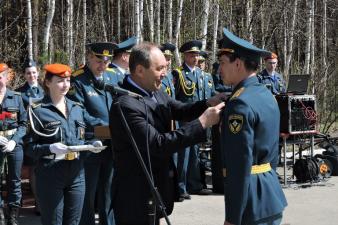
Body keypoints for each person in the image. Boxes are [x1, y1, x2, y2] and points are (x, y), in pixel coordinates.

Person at [109, 42, 225, 225]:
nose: (165, 73)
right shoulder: (126, 104)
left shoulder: (153, 91)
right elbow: (158, 144)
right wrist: (202, 123)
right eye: (160, 68)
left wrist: (208, 103)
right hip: (135, 195)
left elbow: (181, 110)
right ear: (140, 70)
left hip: (155, 188)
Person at [218, 28, 287, 225]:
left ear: (238, 63)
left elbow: (239, 166)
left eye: (223, 63)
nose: (219, 69)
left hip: (250, 205)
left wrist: (232, 217)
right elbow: (273, 154)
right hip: (270, 195)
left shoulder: (239, 104)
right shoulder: (266, 95)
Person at [25, 63, 104, 225]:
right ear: (48, 83)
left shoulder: (77, 108)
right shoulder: (37, 110)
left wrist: (93, 143)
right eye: (60, 80)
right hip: (51, 173)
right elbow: (29, 148)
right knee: (53, 221)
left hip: (77, 172)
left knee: (74, 221)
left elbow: (88, 132)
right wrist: (49, 148)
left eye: (68, 80)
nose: (66, 85)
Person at [68, 42, 116, 225]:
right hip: (90, 144)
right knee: (88, 191)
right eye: (99, 60)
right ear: (89, 57)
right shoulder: (77, 79)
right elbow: (78, 111)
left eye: (107, 60)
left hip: (112, 143)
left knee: (108, 189)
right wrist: (104, 125)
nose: (103, 65)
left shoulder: (112, 77)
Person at [171, 40, 211, 200]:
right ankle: (180, 187)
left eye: (197, 54)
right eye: (192, 55)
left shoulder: (201, 75)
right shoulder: (178, 74)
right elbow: (175, 98)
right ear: (185, 56)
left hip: (200, 119)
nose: (195, 57)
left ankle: (195, 185)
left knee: (195, 153)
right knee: (183, 154)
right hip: (185, 120)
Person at [15, 59, 45, 215]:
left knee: (45, 168)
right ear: (24, 75)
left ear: (38, 73)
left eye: (33, 72)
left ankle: (45, 201)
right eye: (28, 73)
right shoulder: (19, 93)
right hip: (30, 135)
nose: (31, 75)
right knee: (33, 169)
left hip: (46, 134)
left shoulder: (45, 90)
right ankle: (38, 203)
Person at [0, 63, 27, 225]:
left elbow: (24, 124)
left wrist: (14, 141)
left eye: (1, 77)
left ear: (6, 77)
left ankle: (13, 216)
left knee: (15, 181)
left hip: (13, 144)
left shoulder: (16, 97)